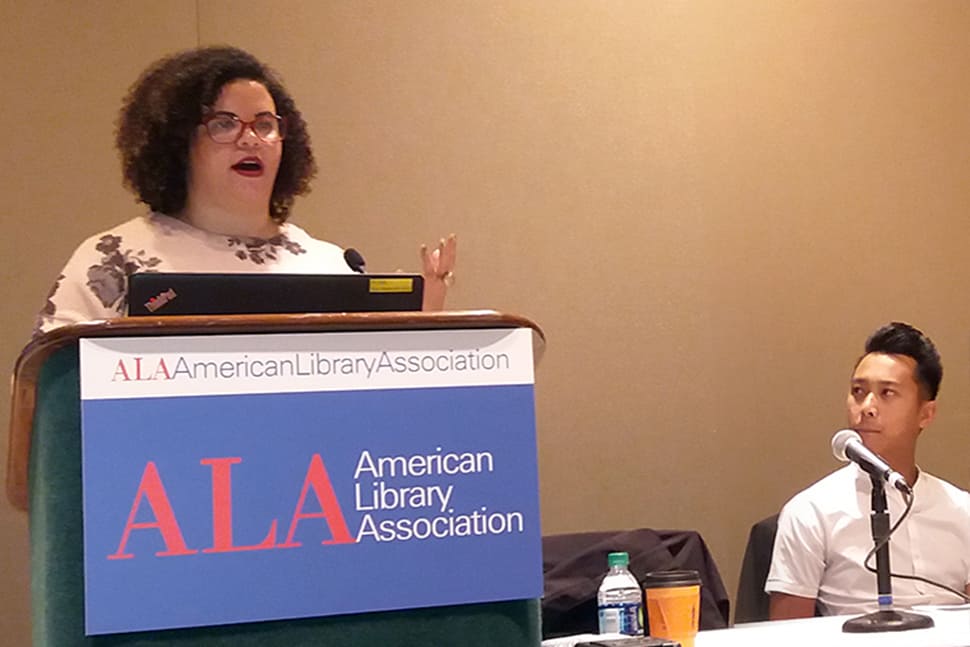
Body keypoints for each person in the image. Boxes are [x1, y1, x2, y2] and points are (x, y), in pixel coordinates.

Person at [33, 45, 456, 336]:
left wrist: (423, 323)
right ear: (177, 141)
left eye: (265, 124)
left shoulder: (331, 266)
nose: (250, 139)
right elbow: (55, 401)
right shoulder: (112, 260)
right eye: (224, 123)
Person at [766, 322, 970, 618]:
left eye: (887, 393)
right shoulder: (810, 512)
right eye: (858, 392)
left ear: (926, 414)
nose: (867, 407)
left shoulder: (962, 510)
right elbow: (786, 634)